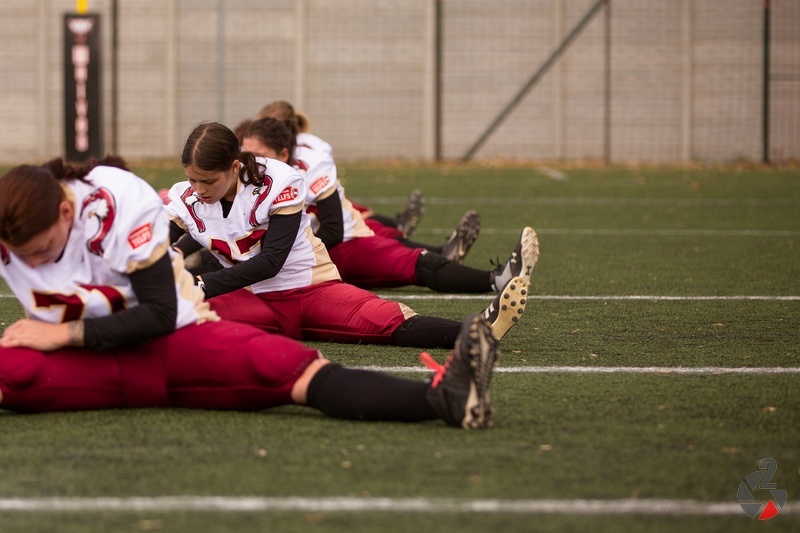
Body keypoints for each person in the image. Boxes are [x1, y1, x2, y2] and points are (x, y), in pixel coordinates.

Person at [0, 156, 501, 429]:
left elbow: (158, 312)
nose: (32, 265)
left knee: (295, 370)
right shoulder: (17, 235)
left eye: (41, 250)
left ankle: (444, 400)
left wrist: (65, 333)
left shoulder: (117, 201)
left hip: (174, 338)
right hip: (87, 356)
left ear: (66, 214)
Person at [164, 122, 529, 347]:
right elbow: (152, 248)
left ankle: (479, 327)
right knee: (177, 315)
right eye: (191, 178)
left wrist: (203, 284)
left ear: (234, 166)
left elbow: (272, 262)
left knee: (385, 320)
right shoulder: (184, 196)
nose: (197, 188)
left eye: (207, 180)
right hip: (248, 295)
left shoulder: (280, 181)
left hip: (307, 286)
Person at [241, 117, 539, 293]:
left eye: (258, 154)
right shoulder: (244, 174)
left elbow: (333, 228)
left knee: (412, 261)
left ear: (283, 152)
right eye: (245, 153)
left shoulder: (309, 163)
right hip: (290, 265)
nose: (250, 162)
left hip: (327, 251)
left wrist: (282, 253)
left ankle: (494, 279)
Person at [257, 100, 450, 246]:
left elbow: (318, 177)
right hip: (318, 205)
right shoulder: (305, 144)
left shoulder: (307, 150)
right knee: (365, 222)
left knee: (370, 236)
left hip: (318, 208)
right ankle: (401, 226)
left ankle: (415, 237)